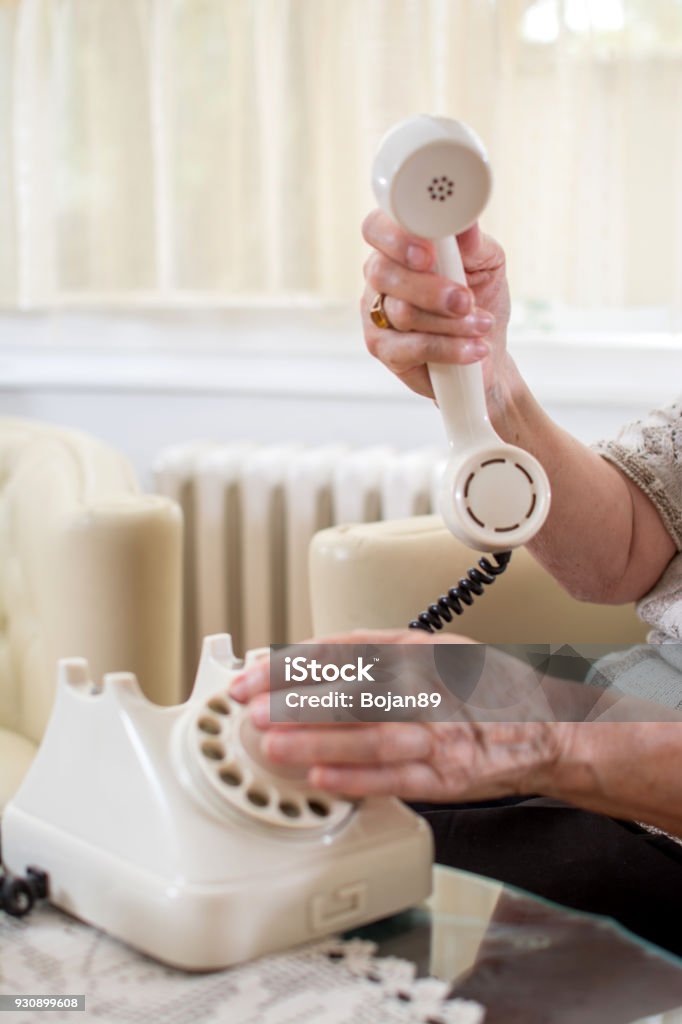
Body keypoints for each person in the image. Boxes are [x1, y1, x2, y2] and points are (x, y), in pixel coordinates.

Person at [230, 214, 682, 953]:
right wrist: (484, 378)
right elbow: (626, 548)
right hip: (629, 701)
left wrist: (548, 737)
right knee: (290, 729)